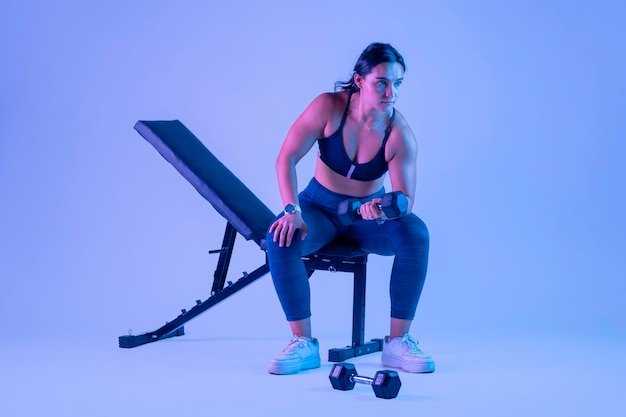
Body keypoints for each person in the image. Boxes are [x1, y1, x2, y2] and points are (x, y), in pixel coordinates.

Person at [266, 42, 433, 375]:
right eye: (382, 82)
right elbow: (286, 158)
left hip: (366, 219)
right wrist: (290, 209)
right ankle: (303, 343)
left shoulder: (399, 134)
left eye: (397, 83)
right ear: (359, 80)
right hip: (320, 210)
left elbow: (405, 201)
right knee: (280, 236)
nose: (391, 92)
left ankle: (397, 343)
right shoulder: (328, 107)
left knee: (415, 233)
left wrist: (384, 211)